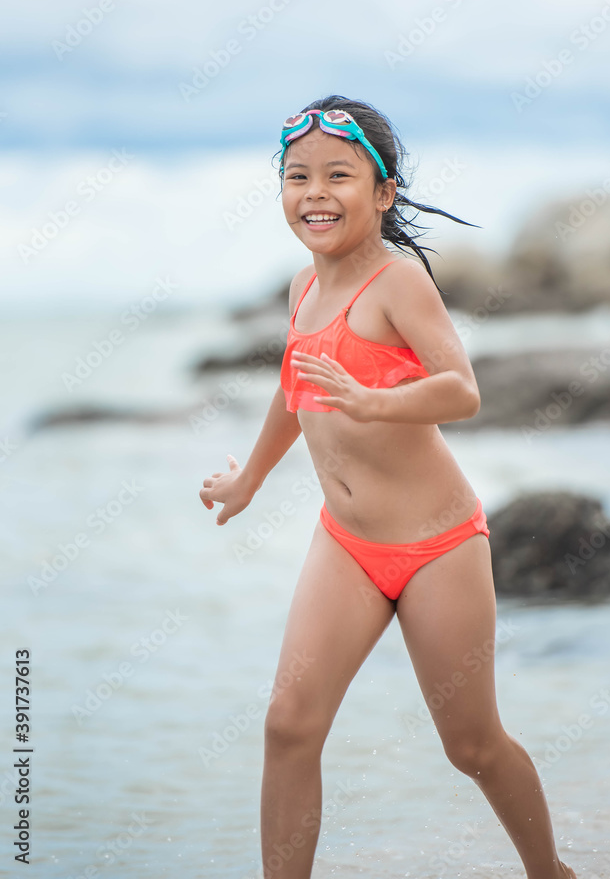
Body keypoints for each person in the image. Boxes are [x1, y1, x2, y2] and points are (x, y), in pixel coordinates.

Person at [200, 96, 577, 879]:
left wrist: (376, 402)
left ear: (383, 193)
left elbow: (462, 389)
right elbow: (293, 390)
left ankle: (551, 873)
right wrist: (250, 479)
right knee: (288, 724)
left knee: (471, 746)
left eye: (338, 175)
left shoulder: (398, 283)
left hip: (437, 546)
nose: (314, 192)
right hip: (346, 543)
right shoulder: (306, 286)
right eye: (297, 175)